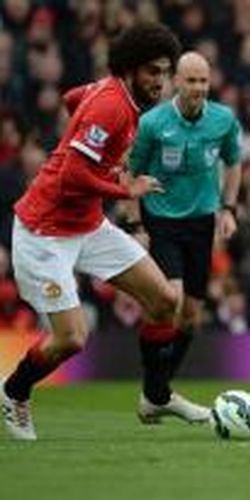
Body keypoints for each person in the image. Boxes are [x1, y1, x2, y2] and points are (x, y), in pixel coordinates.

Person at [2, 23, 185, 441]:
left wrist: (88, 146)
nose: (160, 81)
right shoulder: (112, 106)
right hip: (44, 232)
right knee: (70, 339)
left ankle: (155, 396)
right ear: (130, 69)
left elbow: (72, 99)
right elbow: (70, 174)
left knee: (163, 300)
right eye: (152, 72)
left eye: (164, 71)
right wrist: (124, 186)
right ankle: (14, 392)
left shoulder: (110, 95)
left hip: (86, 225)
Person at [125, 52, 242, 423]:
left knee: (191, 317)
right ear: (176, 81)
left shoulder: (222, 120)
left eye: (203, 81)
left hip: (201, 223)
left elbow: (234, 161)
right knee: (170, 297)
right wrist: (136, 226)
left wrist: (229, 208)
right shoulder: (153, 123)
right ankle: (158, 391)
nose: (198, 89)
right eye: (191, 81)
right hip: (161, 220)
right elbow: (131, 173)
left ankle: (155, 392)